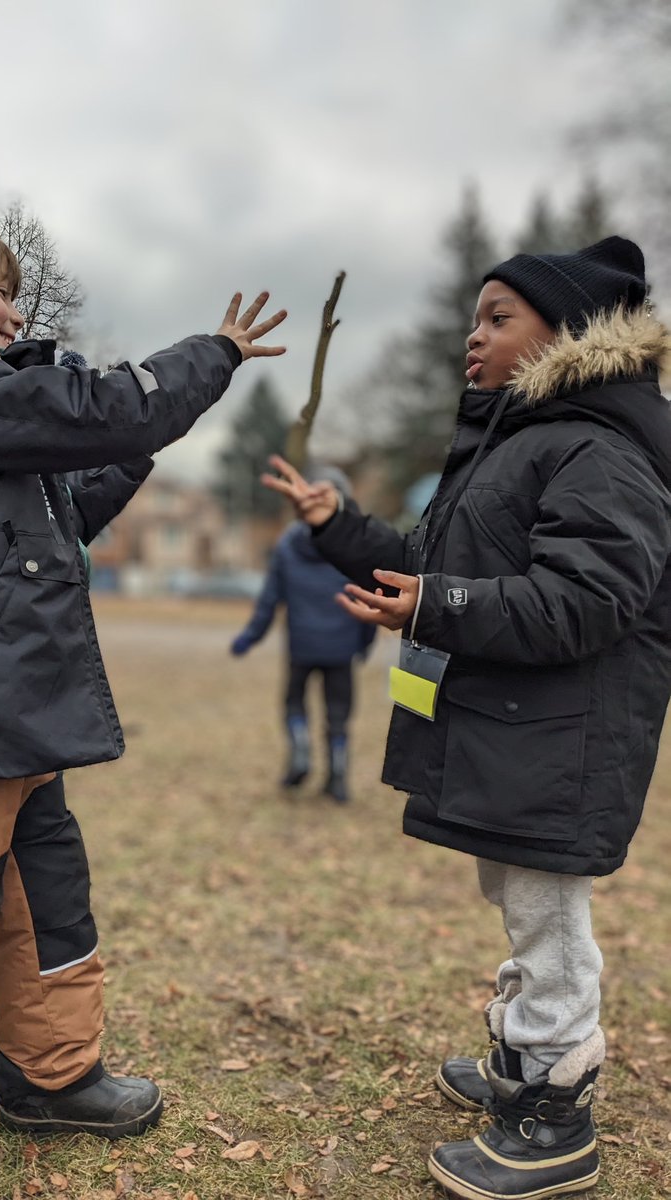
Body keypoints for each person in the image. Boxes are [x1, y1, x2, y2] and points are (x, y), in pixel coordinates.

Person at [0, 192, 286, 1200]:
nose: (15, 311)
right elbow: (88, 408)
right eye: (1, 288)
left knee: (41, 899)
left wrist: (133, 447)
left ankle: (51, 1073)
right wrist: (206, 357)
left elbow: (64, 499)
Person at [263, 237, 671, 1200]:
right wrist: (336, 527)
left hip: (561, 739)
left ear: (567, 334)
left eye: (497, 317)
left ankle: (552, 1106)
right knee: (516, 896)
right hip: (515, 730)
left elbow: (584, 600)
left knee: (547, 915)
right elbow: (431, 557)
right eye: (473, 316)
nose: (469, 337)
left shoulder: (598, 450)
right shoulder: (518, 444)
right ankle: (516, 1059)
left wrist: (433, 607)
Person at [230, 467, 375, 803]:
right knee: (338, 713)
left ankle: (300, 753)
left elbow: (269, 601)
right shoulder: (358, 543)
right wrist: (364, 643)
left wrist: (250, 637)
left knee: (294, 703)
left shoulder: (287, 544)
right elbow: (367, 599)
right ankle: (337, 777)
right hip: (342, 647)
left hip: (301, 646)